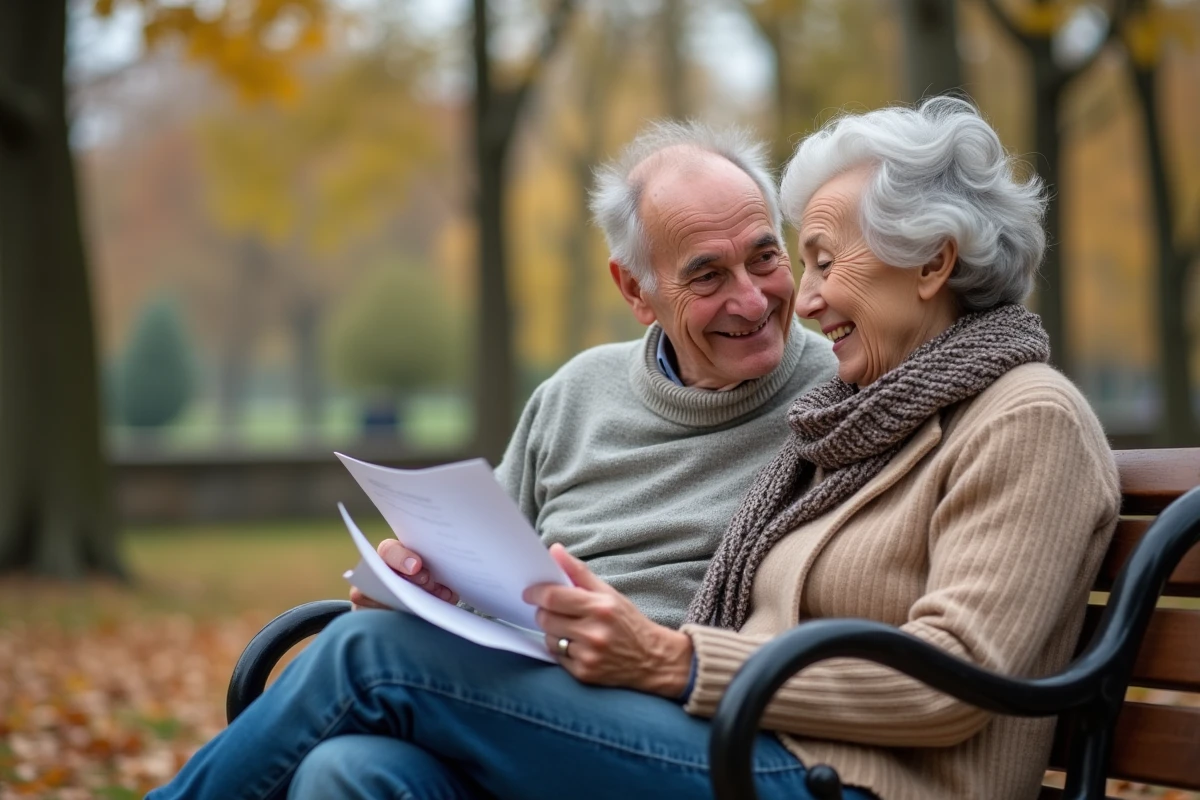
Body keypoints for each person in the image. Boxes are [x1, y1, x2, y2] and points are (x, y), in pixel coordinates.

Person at [148, 98, 1119, 800]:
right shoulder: (869, 408)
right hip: (736, 744)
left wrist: (672, 659)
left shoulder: (1007, 414)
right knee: (349, 769)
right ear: (636, 288)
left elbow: (944, 679)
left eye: (802, 259)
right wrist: (432, 585)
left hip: (828, 775)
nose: (798, 300)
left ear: (935, 260)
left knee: (366, 659)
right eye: (800, 261)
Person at [353, 121, 836, 630]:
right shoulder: (573, 396)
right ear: (634, 290)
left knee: (362, 658)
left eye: (764, 258)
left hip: (678, 690)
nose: (753, 300)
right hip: (519, 677)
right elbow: (471, 578)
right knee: (368, 636)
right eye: (709, 275)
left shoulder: (845, 394)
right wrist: (420, 587)